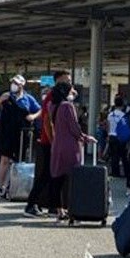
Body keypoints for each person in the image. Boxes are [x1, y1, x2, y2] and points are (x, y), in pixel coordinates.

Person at [24, 68, 70, 217]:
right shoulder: (52, 97)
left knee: (53, 175)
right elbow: (46, 121)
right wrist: (53, 142)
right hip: (49, 142)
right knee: (47, 175)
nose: (69, 83)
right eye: (66, 80)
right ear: (58, 81)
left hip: (54, 142)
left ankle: (52, 206)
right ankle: (31, 204)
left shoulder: (60, 96)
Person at [47, 80, 93, 221]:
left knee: (57, 179)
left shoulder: (52, 106)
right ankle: (73, 208)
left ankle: (58, 210)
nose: (73, 93)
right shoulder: (67, 106)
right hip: (70, 146)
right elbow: (74, 127)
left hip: (57, 145)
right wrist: (85, 137)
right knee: (73, 178)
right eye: (71, 90)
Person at [0, 75, 41, 195]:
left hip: (22, 133)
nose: (14, 85)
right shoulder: (6, 96)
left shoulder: (28, 99)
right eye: (12, 83)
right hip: (6, 132)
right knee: (4, 159)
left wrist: (33, 116)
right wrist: (1, 99)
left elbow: (40, 110)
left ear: (22, 85)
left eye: (16, 83)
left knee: (19, 161)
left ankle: (12, 186)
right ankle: (1, 187)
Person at [106, 97, 127, 177]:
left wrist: (108, 135)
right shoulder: (123, 115)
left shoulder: (110, 114)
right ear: (122, 104)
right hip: (120, 137)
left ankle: (115, 172)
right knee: (123, 155)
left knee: (114, 156)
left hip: (111, 136)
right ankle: (124, 172)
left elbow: (108, 125)